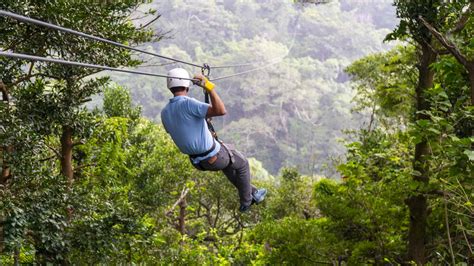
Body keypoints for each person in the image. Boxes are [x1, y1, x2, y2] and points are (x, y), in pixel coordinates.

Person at [161, 68, 267, 212]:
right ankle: (247, 201)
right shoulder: (188, 103)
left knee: (230, 164)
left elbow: (184, 127)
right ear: (187, 85)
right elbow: (221, 110)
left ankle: (253, 192)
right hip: (214, 156)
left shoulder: (165, 112)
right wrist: (208, 87)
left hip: (197, 162)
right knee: (242, 163)